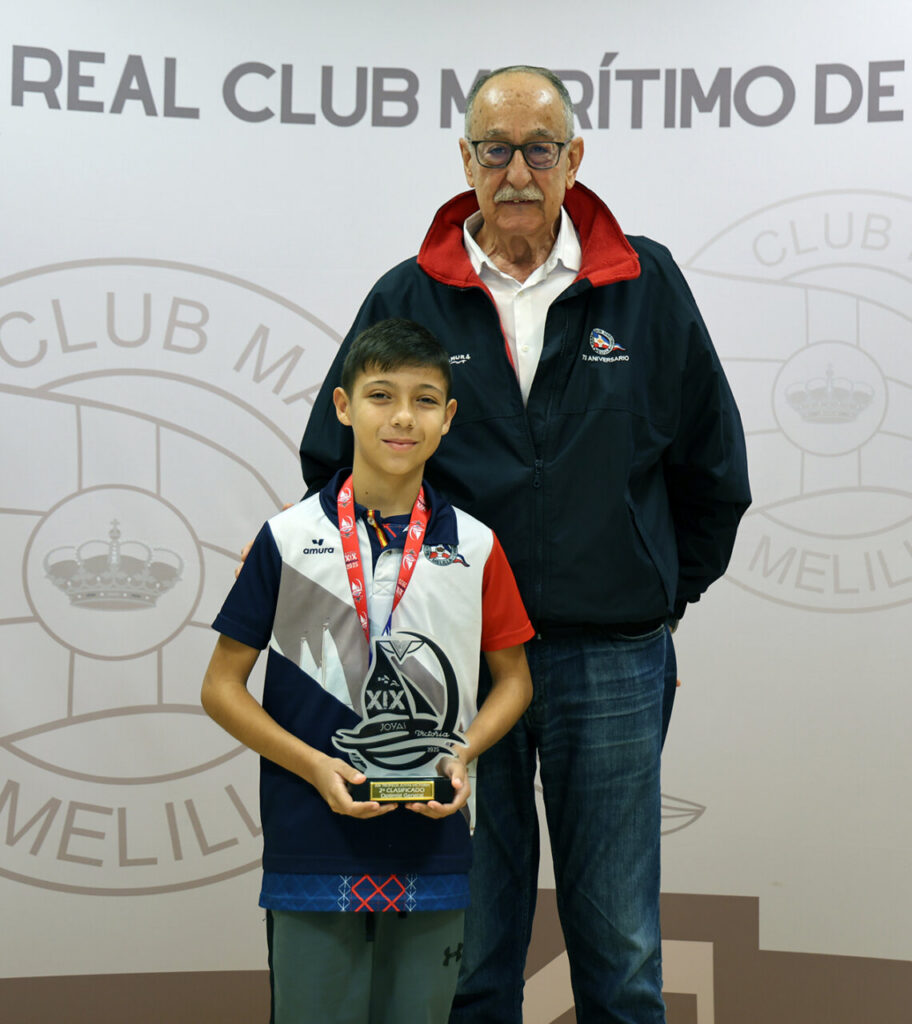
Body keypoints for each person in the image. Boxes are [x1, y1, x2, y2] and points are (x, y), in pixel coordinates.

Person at [298, 66, 751, 1024]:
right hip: (456, 668)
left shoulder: (646, 283)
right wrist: (413, 607)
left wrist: (655, 589)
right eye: (493, 149)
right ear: (464, 159)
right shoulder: (409, 293)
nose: (515, 171)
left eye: (538, 148)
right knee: (469, 947)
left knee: (622, 952)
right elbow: (334, 471)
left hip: (615, 661)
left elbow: (713, 468)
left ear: (572, 158)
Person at [205, 318, 535, 1024]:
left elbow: (515, 681)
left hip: (434, 839)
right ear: (344, 406)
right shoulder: (286, 539)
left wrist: (462, 751)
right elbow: (220, 687)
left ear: (447, 419)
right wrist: (313, 766)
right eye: (381, 396)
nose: (402, 418)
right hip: (311, 836)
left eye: (423, 400)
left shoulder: (475, 546)